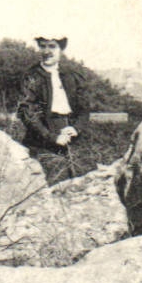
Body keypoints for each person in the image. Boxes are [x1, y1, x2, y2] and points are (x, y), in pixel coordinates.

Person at [16, 35, 88, 182]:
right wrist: (52, 137)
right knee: (50, 183)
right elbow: (27, 112)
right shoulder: (31, 76)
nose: (47, 51)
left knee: (83, 184)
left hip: (72, 137)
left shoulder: (72, 75)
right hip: (41, 139)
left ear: (61, 49)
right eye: (43, 46)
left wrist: (76, 128)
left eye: (52, 46)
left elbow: (84, 109)